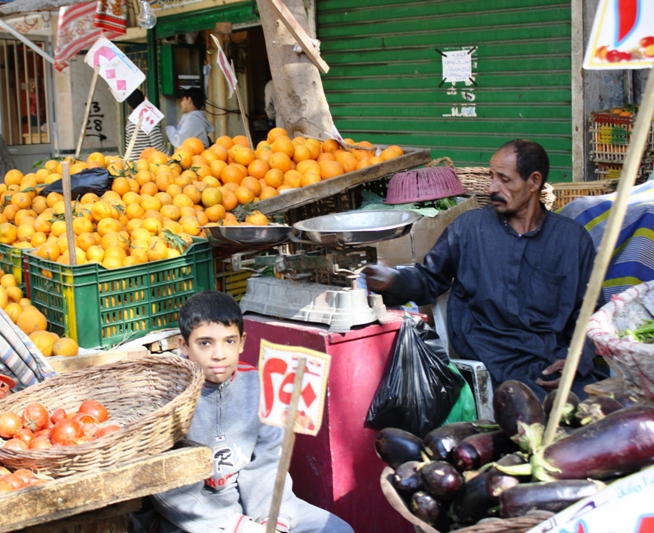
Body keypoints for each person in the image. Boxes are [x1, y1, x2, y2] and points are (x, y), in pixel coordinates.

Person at [364, 140, 608, 400]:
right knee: (530, 413)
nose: (493, 188)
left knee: (602, 408)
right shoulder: (469, 228)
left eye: (504, 179)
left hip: (552, 360)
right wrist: (392, 281)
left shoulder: (571, 239)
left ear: (534, 182)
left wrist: (576, 359)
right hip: (491, 358)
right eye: (492, 177)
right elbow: (429, 279)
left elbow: (592, 313)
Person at [134, 291, 354, 533]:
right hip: (195, 516)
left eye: (229, 341)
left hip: (253, 502)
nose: (219, 354)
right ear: (184, 346)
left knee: (336, 529)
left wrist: (273, 522)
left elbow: (267, 463)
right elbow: (169, 489)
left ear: (242, 342)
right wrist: (237, 527)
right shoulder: (166, 398)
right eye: (205, 343)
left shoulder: (260, 384)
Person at [125, 89, 168, 160]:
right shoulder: (150, 119)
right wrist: (170, 157)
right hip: (147, 164)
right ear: (145, 99)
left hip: (133, 164)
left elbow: (128, 147)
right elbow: (157, 145)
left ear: (129, 106)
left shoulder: (129, 123)